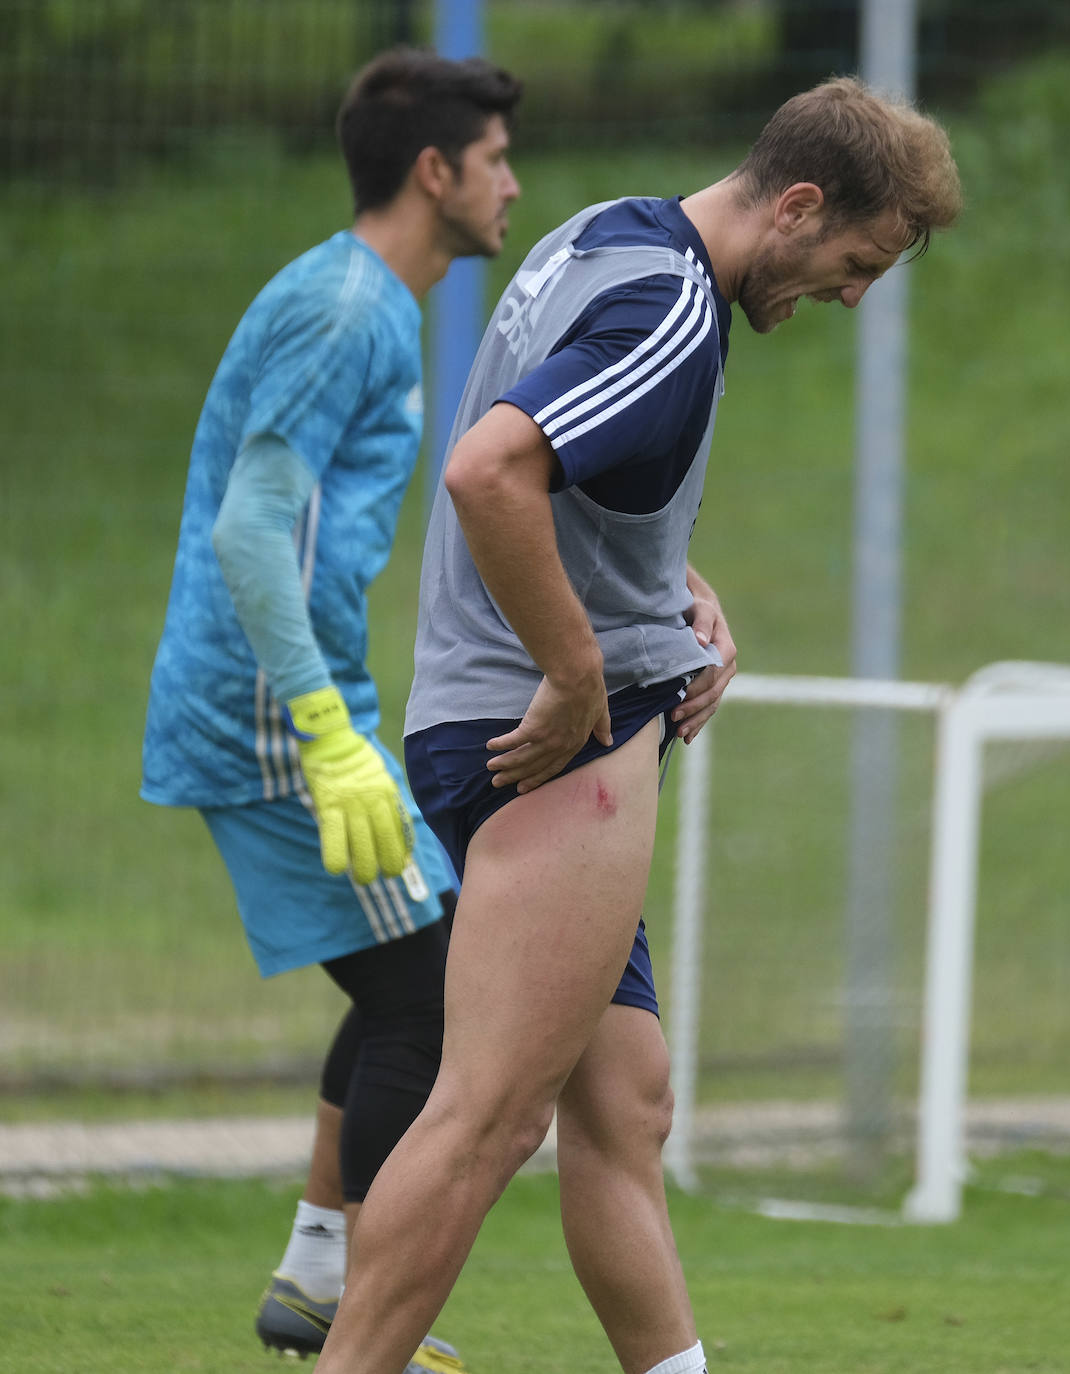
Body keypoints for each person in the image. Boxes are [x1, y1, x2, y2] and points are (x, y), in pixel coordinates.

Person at [312, 75, 962, 1374]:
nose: (851, 294)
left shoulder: (613, 234)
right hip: (551, 746)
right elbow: (489, 467)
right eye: (856, 259)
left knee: (624, 1105)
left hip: (509, 721)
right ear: (795, 203)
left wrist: (667, 597)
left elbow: (567, 485)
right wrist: (574, 669)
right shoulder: (671, 303)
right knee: (489, 1116)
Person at [139, 47, 522, 1364]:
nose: (511, 185)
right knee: (432, 996)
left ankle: (317, 1276)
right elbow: (252, 531)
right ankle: (367, 1322)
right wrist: (317, 728)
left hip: (306, 702)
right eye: (495, 161)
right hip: (266, 711)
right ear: (435, 171)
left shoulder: (375, 306)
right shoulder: (342, 308)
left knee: (423, 964)